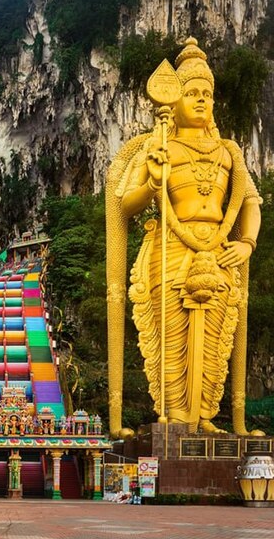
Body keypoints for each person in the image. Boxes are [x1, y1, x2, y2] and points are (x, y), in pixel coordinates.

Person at [108, 38, 261, 435]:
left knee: (215, 338)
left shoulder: (230, 151)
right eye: (191, 93)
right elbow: (125, 203)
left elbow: (250, 202)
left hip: (220, 249)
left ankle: (206, 416)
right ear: (173, 101)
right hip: (171, 249)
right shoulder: (159, 146)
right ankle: (176, 416)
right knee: (170, 337)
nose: (200, 100)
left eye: (207, 94)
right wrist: (154, 182)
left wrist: (246, 243)